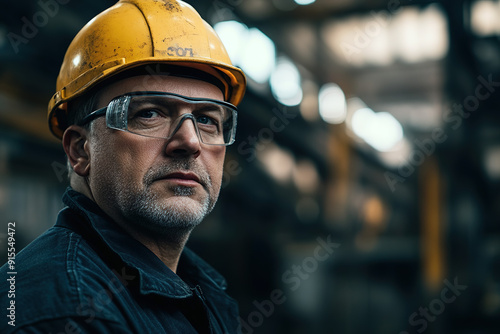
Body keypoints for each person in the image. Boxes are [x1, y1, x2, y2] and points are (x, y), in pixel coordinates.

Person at [0, 0, 246, 333]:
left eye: (206, 119)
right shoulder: (67, 314)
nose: (190, 142)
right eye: (149, 113)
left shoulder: (196, 288)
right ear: (80, 150)